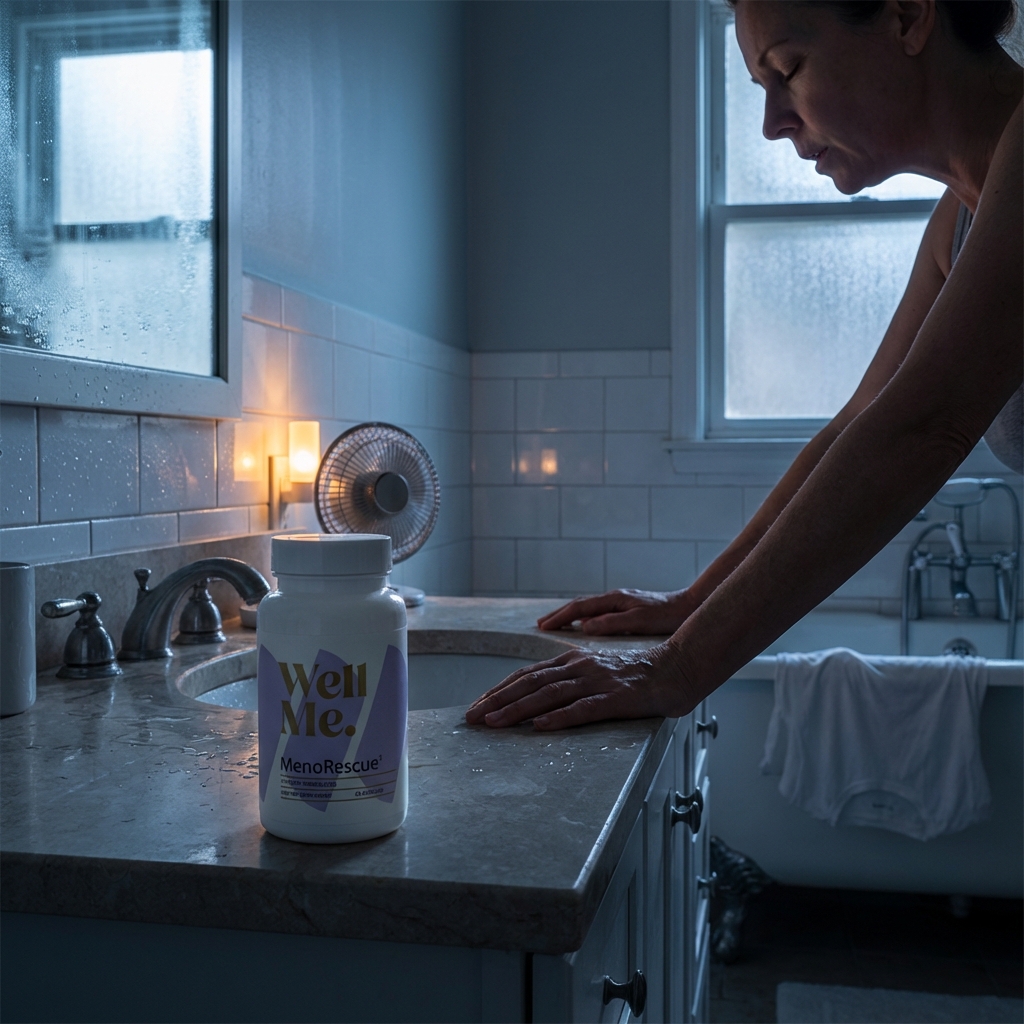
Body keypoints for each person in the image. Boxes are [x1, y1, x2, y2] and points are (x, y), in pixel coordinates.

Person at [466, 0, 1022, 732]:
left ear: (908, 17)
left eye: (789, 69)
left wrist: (677, 668)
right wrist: (692, 603)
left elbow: (922, 428)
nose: (772, 123)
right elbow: (862, 420)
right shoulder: (963, 214)